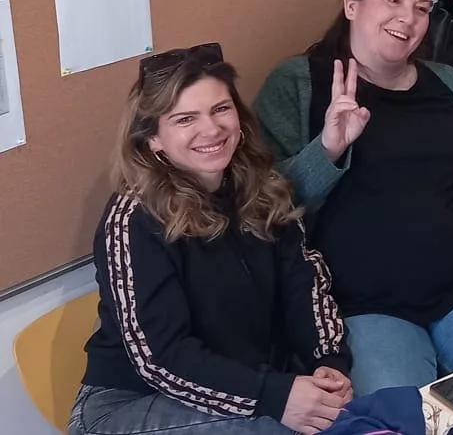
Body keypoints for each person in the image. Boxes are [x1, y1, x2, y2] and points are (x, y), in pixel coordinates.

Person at [256, 0, 453, 394]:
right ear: (352, 5)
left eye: (421, 8)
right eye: (393, 0)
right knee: (399, 418)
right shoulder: (298, 83)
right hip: (362, 306)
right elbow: (263, 209)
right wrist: (328, 149)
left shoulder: (449, 82)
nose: (408, 18)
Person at [73, 44, 351, 435]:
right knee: (282, 428)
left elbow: (304, 286)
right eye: (185, 118)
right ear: (152, 139)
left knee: (344, 411)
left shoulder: (265, 188)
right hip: (127, 402)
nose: (211, 129)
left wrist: (329, 363)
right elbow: (159, 358)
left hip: (245, 381)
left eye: (221, 109)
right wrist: (273, 396)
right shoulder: (133, 217)